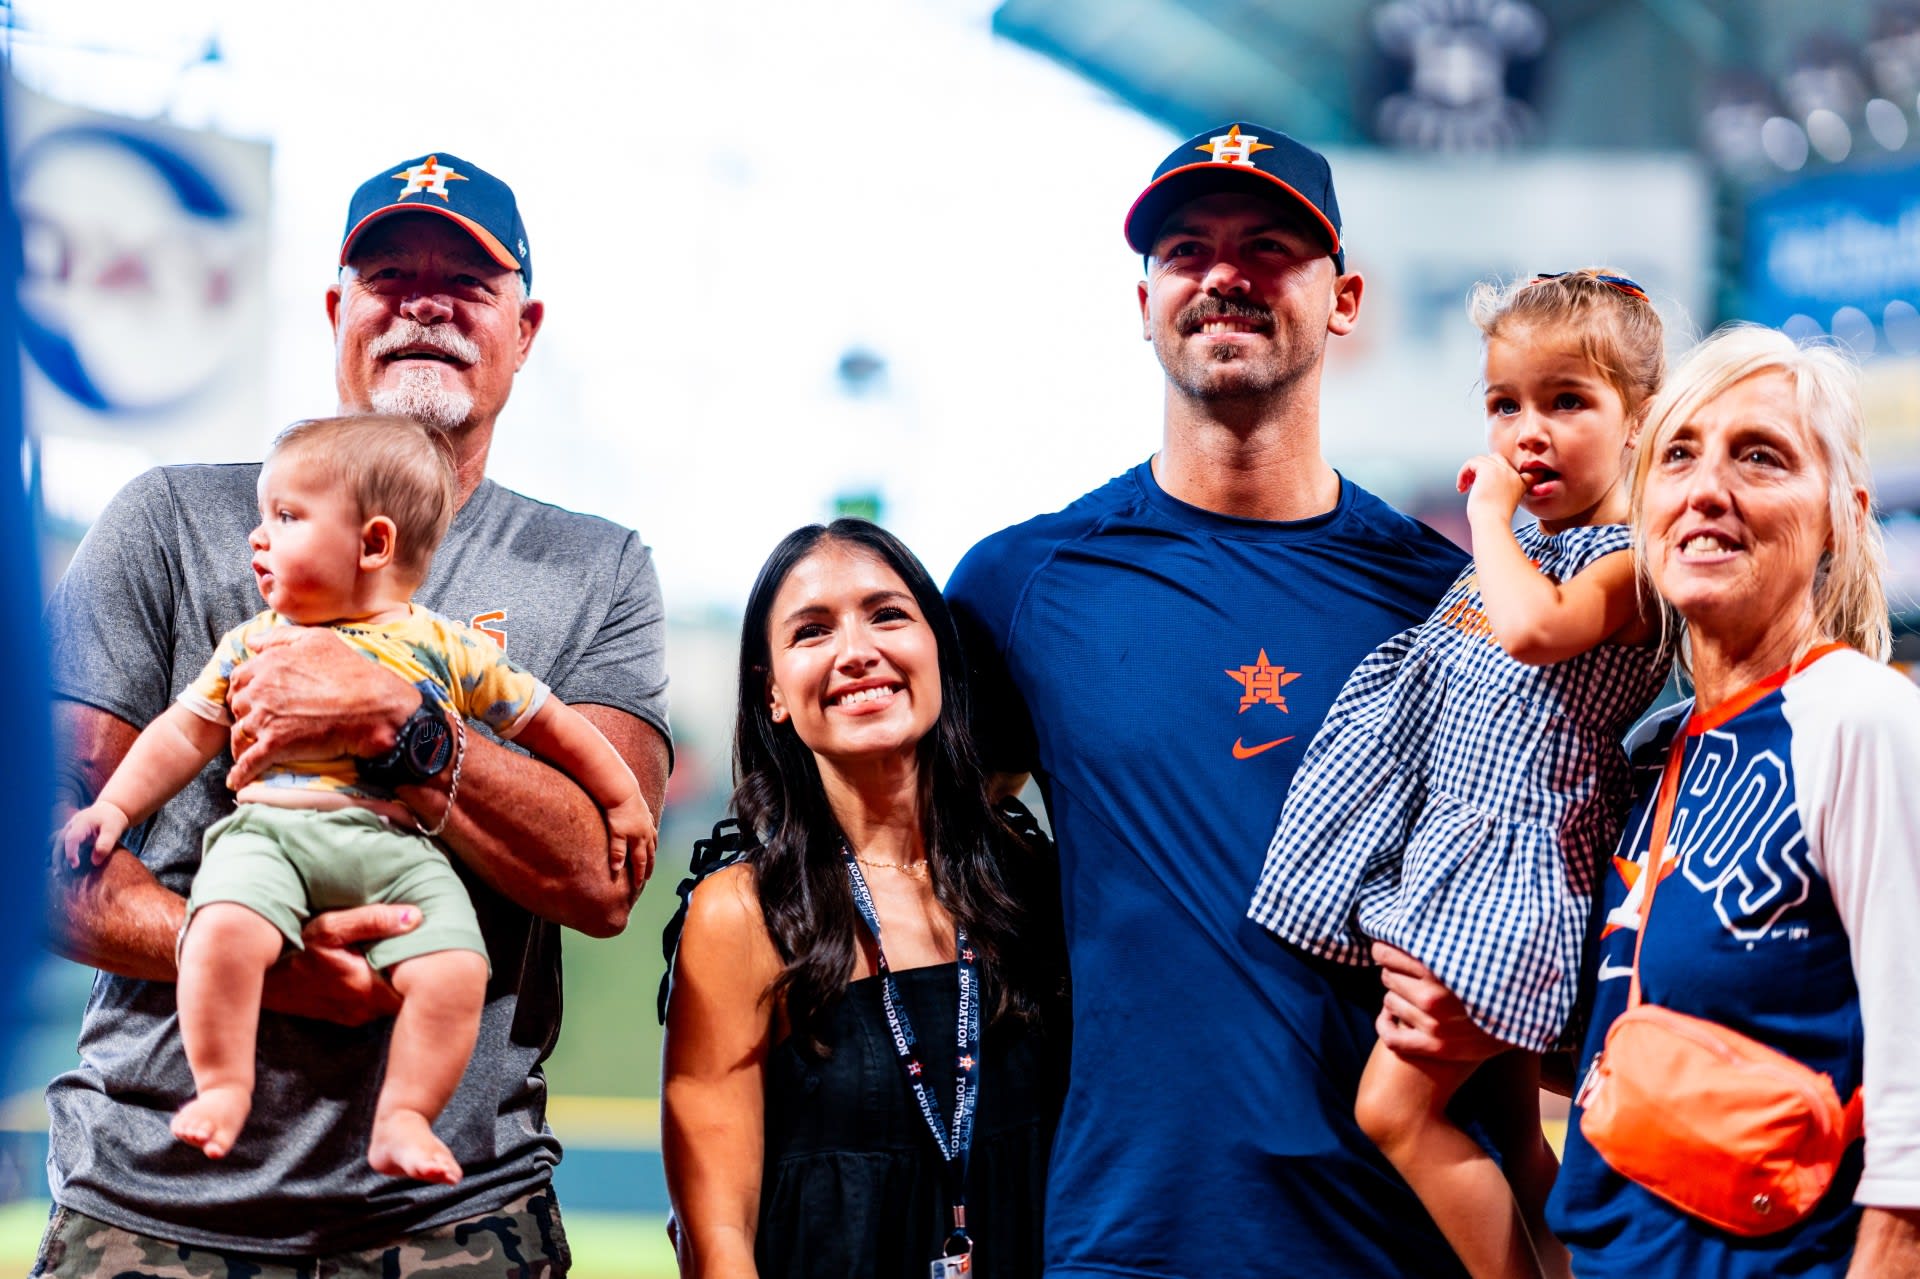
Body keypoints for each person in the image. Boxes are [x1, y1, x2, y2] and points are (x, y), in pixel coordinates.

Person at [38, 152, 670, 1273]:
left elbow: (602, 878)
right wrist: (236, 950)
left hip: (453, 1223)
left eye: (465, 284)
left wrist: (400, 722)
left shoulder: (597, 568)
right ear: (338, 311)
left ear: (525, 329)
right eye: (388, 275)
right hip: (147, 1208)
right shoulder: (173, 519)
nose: (423, 303)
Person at [947, 123, 1477, 1277]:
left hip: (1396, 1236)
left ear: (1344, 299)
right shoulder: (1019, 585)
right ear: (1143, 299)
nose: (1224, 275)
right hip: (1131, 1232)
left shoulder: (1453, 604)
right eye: (1187, 248)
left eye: (1270, 246)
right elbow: (913, 861)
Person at [57, 414, 655, 1185]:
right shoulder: (254, 639)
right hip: (269, 834)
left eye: (286, 517)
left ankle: (404, 1114)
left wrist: (625, 803)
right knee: (221, 929)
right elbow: (182, 734)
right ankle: (223, 1085)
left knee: (454, 965)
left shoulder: (442, 644)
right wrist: (113, 810)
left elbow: (553, 725)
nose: (256, 538)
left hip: (394, 846)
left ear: (373, 544)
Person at [1247, 269, 1671, 1279]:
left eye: (1568, 401)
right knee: (1520, 1139)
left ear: (1641, 419)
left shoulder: (1627, 559)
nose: (1529, 432)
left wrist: (1485, 517)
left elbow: (1533, 629)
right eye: (1505, 404)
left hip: (1514, 882)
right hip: (1465, 865)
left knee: (1391, 1108)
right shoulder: (1535, 542)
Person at [1540, 325, 1920, 1276]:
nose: (1708, 488)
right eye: (1679, 454)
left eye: (1761, 455)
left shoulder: (1860, 719)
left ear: (1840, 514)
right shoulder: (1650, 754)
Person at [661, 519, 1065, 1279]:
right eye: (812, 631)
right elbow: (716, 1239)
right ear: (773, 691)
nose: (857, 651)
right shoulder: (741, 914)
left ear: (939, 650)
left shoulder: (1032, 886)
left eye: (887, 614)